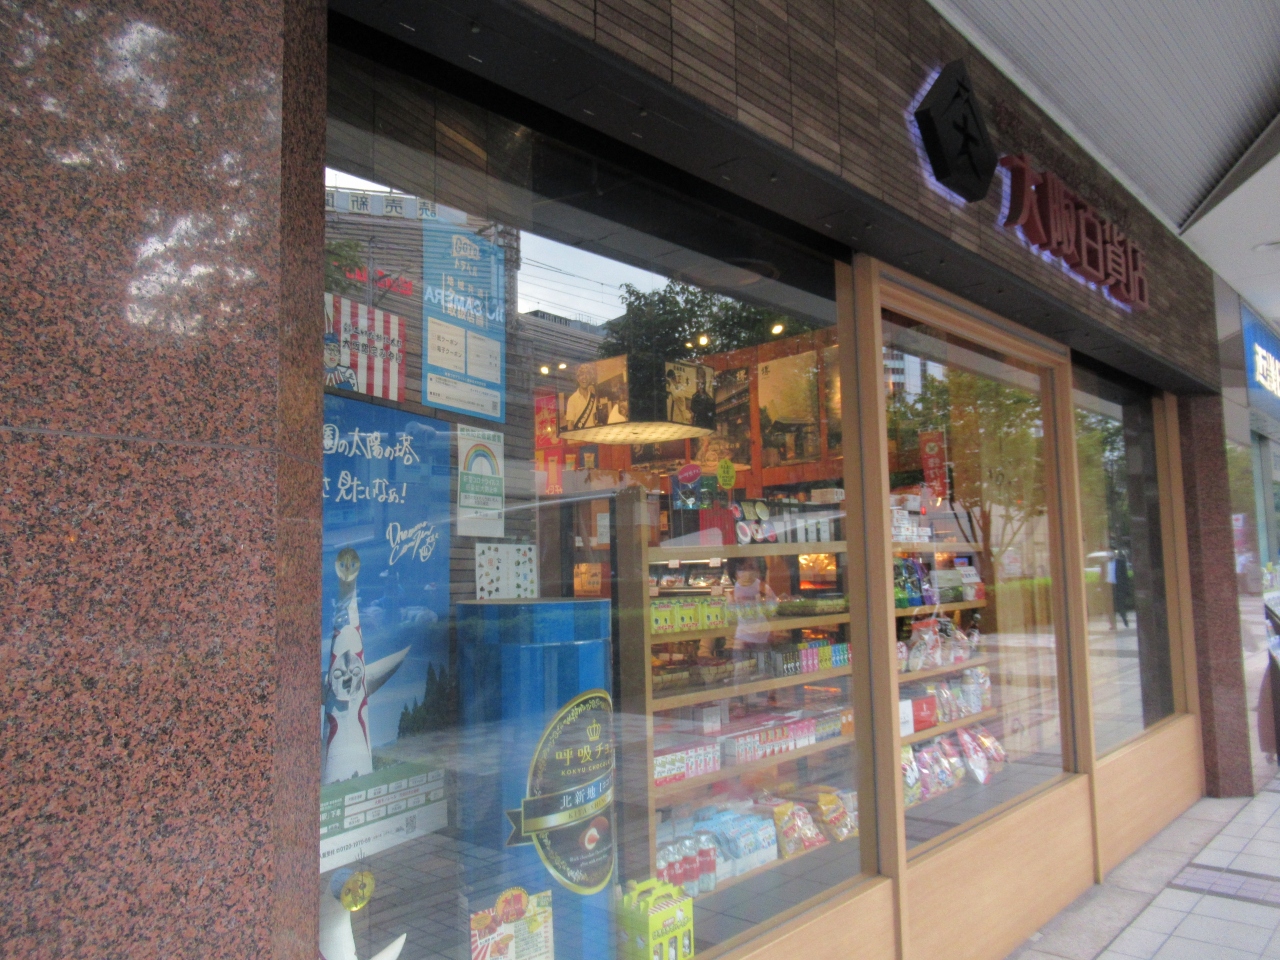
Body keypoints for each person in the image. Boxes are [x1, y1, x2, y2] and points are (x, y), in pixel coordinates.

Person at [564, 362, 598, 429]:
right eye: (581, 374)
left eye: (587, 374)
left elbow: (594, 420)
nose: (584, 377)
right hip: (579, 435)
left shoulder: (593, 397)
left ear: (590, 378)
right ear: (578, 378)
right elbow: (570, 424)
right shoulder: (572, 399)